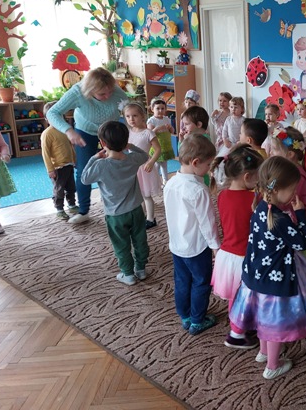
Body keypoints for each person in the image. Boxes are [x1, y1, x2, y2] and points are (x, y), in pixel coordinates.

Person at [229, 156, 306, 380]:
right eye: (292, 190)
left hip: (255, 274)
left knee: (263, 317)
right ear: (276, 189)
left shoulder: (260, 207)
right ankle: (272, 365)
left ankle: (264, 353)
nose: (294, 194)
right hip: (276, 280)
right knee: (273, 325)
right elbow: (302, 242)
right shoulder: (280, 219)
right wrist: (300, 214)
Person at [46, 67, 128, 224]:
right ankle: (83, 211)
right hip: (85, 132)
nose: (107, 96)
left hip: (109, 131)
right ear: (90, 90)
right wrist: (69, 131)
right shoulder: (78, 92)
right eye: (102, 94)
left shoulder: (116, 91)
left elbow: (129, 110)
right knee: (84, 170)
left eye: (110, 92)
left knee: (115, 166)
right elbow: (52, 113)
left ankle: (118, 205)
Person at [163, 133, 220, 335]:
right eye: (208, 165)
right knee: (201, 282)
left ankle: (185, 315)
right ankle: (197, 320)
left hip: (177, 245)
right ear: (195, 163)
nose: (209, 169)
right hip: (197, 247)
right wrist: (216, 246)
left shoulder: (170, 183)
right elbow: (207, 223)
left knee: (182, 280)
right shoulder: (199, 190)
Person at [81, 121, 150, 286]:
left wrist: (93, 158)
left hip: (115, 215)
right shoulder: (133, 158)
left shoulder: (100, 165)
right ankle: (141, 269)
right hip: (136, 209)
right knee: (140, 239)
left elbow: (84, 179)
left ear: (102, 143)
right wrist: (131, 147)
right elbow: (145, 156)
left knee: (121, 245)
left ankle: (128, 274)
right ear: (126, 141)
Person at [209, 144, 263, 349]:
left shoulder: (222, 195)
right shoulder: (253, 200)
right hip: (244, 257)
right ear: (247, 176)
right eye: (257, 177)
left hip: (227, 255)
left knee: (236, 295)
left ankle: (239, 327)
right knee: (246, 297)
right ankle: (236, 334)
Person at [269, 127, 306, 263]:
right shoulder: (287, 170)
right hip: (293, 214)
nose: (270, 152)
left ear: (290, 154)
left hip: (302, 216)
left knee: (299, 259)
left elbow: (288, 200)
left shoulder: (295, 175)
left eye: (274, 149)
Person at [123, 103, 162, 229]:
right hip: (132, 167)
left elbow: (158, 149)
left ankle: (151, 219)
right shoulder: (128, 132)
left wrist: (151, 162)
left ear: (142, 116)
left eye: (135, 116)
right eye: (128, 116)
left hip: (144, 166)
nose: (131, 119)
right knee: (137, 195)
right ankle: (142, 216)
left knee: (146, 195)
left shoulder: (148, 133)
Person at [40, 101, 78, 221]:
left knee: (71, 187)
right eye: (53, 117)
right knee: (59, 189)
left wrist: (74, 159)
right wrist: (50, 169)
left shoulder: (65, 130)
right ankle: (59, 209)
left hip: (69, 164)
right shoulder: (47, 134)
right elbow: (45, 153)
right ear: (47, 119)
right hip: (58, 167)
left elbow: (70, 146)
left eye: (59, 116)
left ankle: (72, 205)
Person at [147, 98, 175, 186]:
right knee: (156, 165)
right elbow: (150, 133)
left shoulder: (167, 119)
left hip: (165, 146)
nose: (160, 110)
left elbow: (172, 131)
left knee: (164, 164)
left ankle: (165, 180)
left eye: (162, 108)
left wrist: (170, 128)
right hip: (156, 146)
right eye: (158, 108)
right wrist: (158, 128)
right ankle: (155, 181)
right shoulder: (152, 120)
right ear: (152, 109)